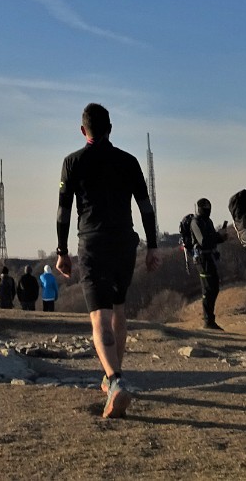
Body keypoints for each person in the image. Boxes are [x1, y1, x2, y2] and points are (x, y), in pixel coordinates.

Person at [55, 102, 159, 419]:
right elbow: (145, 207)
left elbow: (63, 211)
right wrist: (153, 246)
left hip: (93, 243)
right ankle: (114, 375)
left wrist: (62, 251)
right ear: (110, 128)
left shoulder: (73, 162)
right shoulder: (128, 161)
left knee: (98, 315)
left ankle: (114, 381)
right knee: (119, 308)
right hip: (125, 243)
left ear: (83, 130)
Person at [189, 198, 227, 330]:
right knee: (208, 288)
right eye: (205, 208)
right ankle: (208, 320)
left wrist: (221, 237)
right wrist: (217, 235)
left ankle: (210, 319)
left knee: (214, 287)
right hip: (201, 259)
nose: (208, 211)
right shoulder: (196, 222)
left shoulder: (208, 221)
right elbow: (203, 241)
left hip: (209, 257)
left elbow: (212, 240)